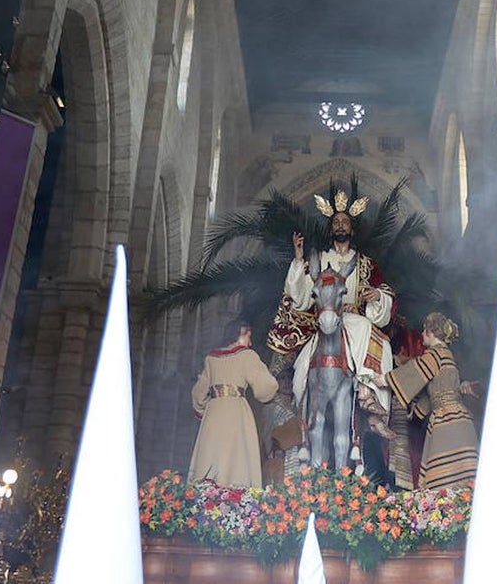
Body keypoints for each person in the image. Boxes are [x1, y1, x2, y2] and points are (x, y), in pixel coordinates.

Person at [268, 190, 397, 441]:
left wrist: (377, 297)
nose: (340, 225)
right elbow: (301, 296)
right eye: (336, 222)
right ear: (331, 228)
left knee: (380, 343)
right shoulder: (319, 260)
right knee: (301, 370)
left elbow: (384, 291)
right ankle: (303, 413)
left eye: (345, 222)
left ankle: (370, 399)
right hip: (325, 325)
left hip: (354, 320)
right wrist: (297, 261)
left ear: (352, 229)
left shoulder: (365, 264)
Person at [374, 312, 479, 490]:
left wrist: (383, 380)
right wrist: (417, 412)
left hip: (447, 422)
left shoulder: (435, 355)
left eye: (424, 331)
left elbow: (413, 372)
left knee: (443, 478)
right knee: (463, 477)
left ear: (431, 332)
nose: (422, 335)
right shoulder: (449, 356)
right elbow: (435, 394)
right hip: (462, 421)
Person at [188, 320, 278, 487]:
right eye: (248, 337)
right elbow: (266, 386)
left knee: (211, 453)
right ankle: (235, 498)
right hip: (237, 412)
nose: (250, 343)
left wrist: (203, 409)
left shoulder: (211, 358)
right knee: (237, 456)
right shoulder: (247, 355)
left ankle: (208, 493)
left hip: (214, 413)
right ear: (239, 334)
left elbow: (198, 393)